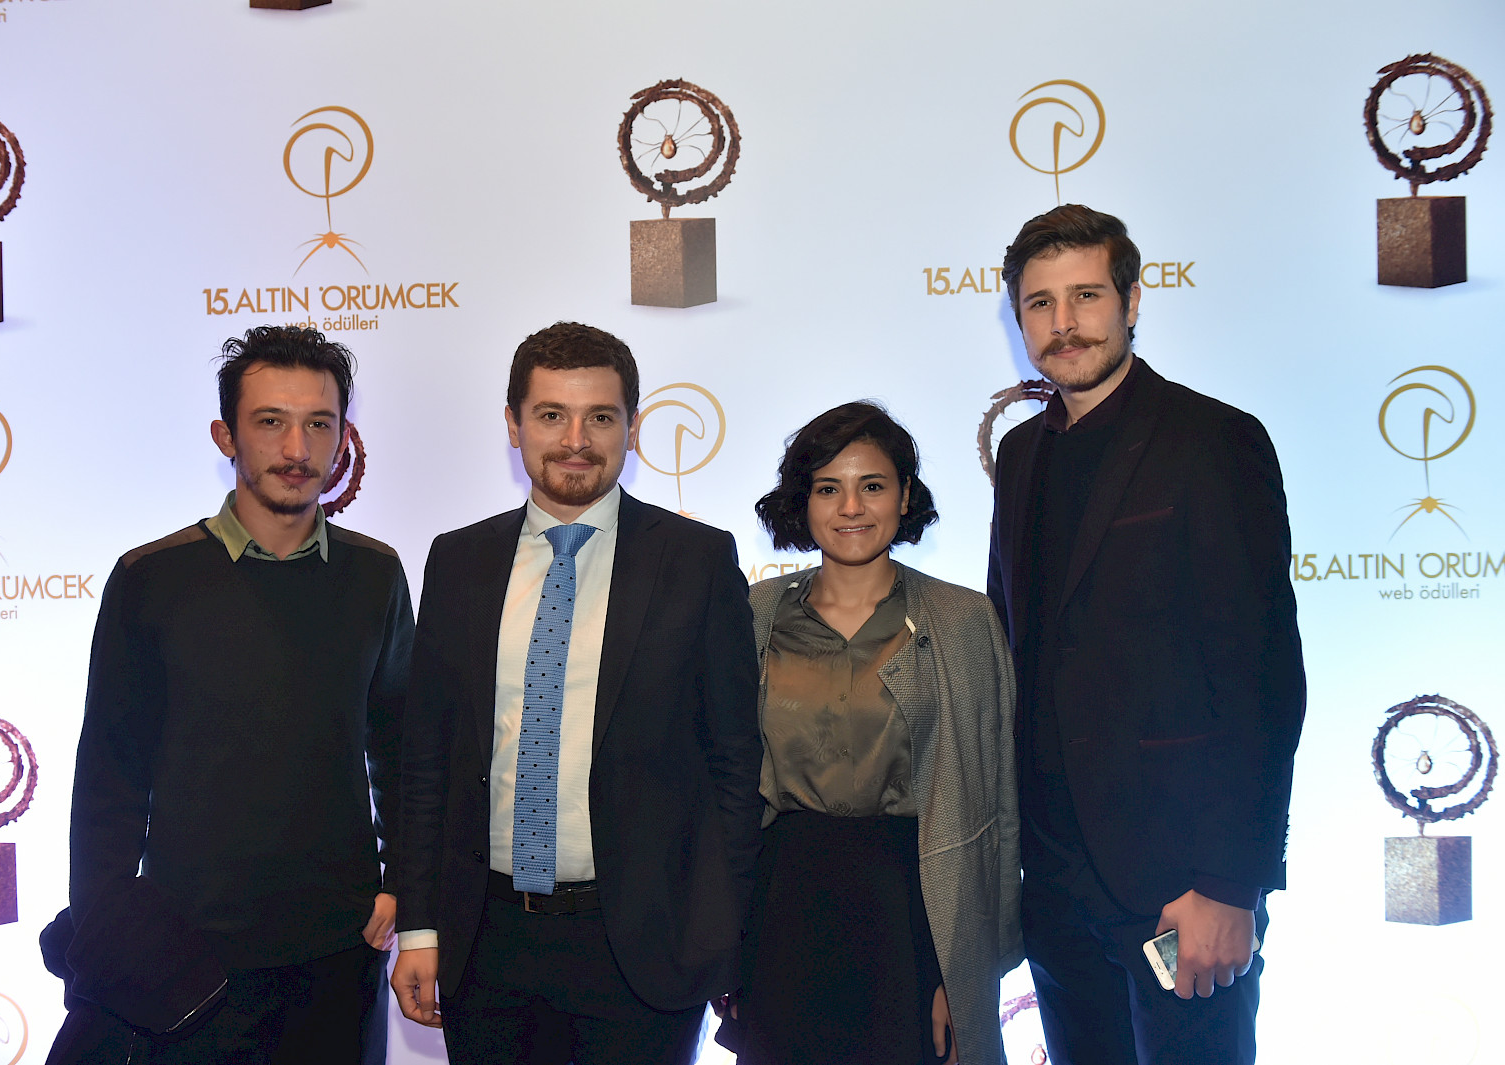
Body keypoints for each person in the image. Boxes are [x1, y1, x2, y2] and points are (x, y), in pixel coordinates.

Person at [985, 204, 1306, 1065]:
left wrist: (1231, 881)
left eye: (1086, 296)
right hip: (1055, 885)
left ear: (1131, 301)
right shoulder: (1020, 456)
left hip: (1181, 885)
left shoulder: (1215, 439)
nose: (1064, 323)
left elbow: (1264, 676)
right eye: (1040, 304)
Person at [391, 321, 762, 1064]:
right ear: (513, 425)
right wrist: (420, 926)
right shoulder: (458, 560)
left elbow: (734, 765)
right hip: (485, 941)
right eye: (551, 415)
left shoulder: (696, 559)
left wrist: (718, 934)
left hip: (642, 948)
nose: (576, 440)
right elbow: (426, 757)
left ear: (633, 427)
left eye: (600, 417)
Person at [58, 325, 413, 1063]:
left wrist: (402, 882)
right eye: (271, 422)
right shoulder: (151, 578)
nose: (297, 449)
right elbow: (109, 778)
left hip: (338, 955)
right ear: (226, 435)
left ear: (343, 437)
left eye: (319, 424)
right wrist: (106, 932)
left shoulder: (375, 574)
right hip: (184, 962)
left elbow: (401, 749)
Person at [731, 402, 1020, 1065]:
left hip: (914, 906)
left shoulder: (963, 619)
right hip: (783, 905)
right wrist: (725, 948)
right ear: (802, 501)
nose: (851, 507)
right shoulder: (755, 614)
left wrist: (965, 971)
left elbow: (996, 806)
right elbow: (722, 791)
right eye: (827, 488)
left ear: (905, 495)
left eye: (872, 485)